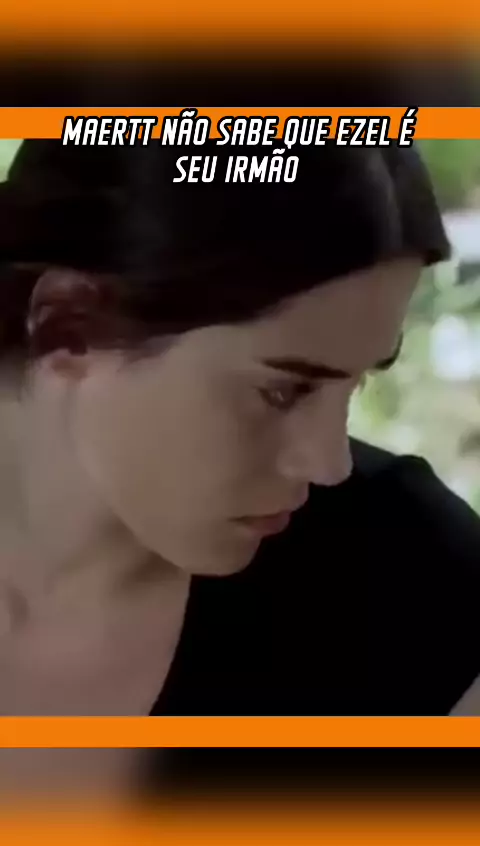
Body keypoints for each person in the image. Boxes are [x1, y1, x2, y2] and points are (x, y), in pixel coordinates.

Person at [0, 138, 479, 794]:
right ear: (70, 324)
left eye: (359, 382)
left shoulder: (406, 581)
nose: (329, 463)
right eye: (284, 390)